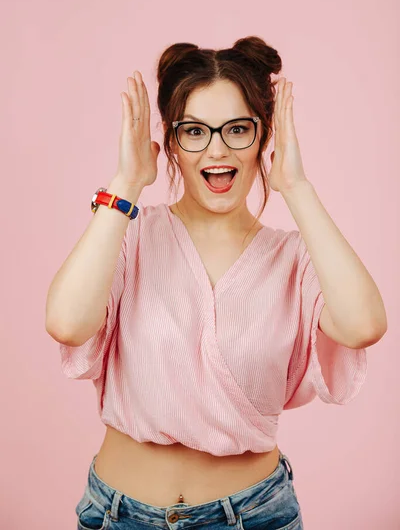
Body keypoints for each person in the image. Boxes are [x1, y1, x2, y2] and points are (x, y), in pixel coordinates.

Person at [46, 36, 386, 529]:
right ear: (172, 141)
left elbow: (363, 325)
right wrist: (125, 185)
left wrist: (297, 187)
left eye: (237, 129)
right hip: (119, 516)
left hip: (254, 515)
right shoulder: (130, 232)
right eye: (195, 132)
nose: (217, 149)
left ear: (264, 136)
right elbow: (66, 323)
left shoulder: (292, 258)